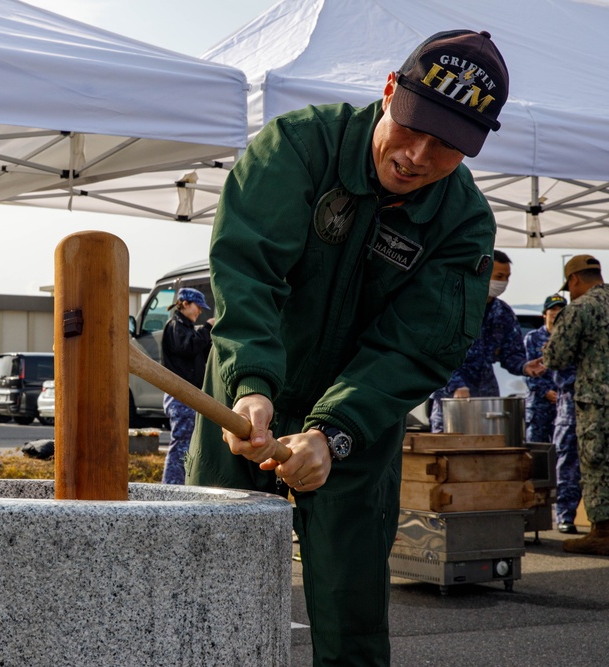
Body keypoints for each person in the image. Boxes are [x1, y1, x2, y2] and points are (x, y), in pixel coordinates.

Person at [185, 30, 510, 665]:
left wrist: (332, 435)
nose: (417, 155)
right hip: (243, 399)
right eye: (412, 127)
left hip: (357, 424)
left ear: (474, 148)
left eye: (447, 146)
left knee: (350, 601)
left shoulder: (464, 223)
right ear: (390, 90)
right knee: (208, 587)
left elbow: (414, 348)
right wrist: (251, 384)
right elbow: (249, 275)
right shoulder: (300, 146)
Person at [428, 250, 545, 432]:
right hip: (452, 398)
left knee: (488, 448)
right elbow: (437, 354)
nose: (503, 282)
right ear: (483, 273)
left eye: (507, 277)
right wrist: (457, 386)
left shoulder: (503, 313)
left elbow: (511, 354)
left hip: (486, 398)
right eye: (499, 276)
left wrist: (525, 366)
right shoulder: (455, 306)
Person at [543, 254, 609, 555]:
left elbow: (556, 358)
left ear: (574, 279)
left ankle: (603, 532)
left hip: (597, 403)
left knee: (596, 463)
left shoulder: (581, 308)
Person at [160, 287, 213, 484]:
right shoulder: (175, 326)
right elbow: (188, 347)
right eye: (197, 307)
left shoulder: (186, 328)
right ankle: (172, 486)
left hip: (188, 395)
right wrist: (207, 329)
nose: (199, 311)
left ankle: (180, 484)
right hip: (179, 395)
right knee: (181, 442)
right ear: (185, 304)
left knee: (187, 442)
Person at [523, 294, 566, 443]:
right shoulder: (532, 338)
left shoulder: (570, 339)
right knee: (536, 451)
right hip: (538, 406)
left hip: (564, 407)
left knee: (563, 451)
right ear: (544, 314)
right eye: (552, 309)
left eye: (561, 309)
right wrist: (546, 391)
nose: (556, 313)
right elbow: (527, 372)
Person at [550, 357, 580, 534]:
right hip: (572, 411)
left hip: (600, 411)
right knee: (568, 465)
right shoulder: (570, 332)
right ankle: (565, 515)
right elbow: (557, 368)